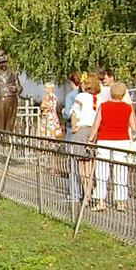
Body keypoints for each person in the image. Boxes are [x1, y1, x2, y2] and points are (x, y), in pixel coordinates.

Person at [89, 81, 136, 212]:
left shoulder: (104, 106)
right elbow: (134, 127)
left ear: (111, 92)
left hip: (104, 140)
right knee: (121, 171)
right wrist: (133, 135)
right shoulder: (128, 108)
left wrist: (90, 139)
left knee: (101, 170)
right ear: (123, 94)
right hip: (122, 140)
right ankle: (121, 202)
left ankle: (100, 201)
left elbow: (96, 124)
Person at [70, 73, 102, 202]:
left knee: (82, 164)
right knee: (90, 163)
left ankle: (86, 193)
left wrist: (74, 128)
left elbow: (74, 113)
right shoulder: (99, 99)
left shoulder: (81, 97)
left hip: (82, 130)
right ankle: (91, 189)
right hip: (94, 131)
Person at [61, 73, 83, 202]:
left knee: (72, 161)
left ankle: (74, 193)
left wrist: (64, 112)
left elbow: (68, 114)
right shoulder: (88, 96)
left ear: (71, 82)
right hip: (85, 129)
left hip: (72, 129)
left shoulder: (71, 96)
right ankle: (84, 191)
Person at [0, 49, 21, 131]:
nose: (3, 64)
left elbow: (20, 87)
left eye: (4, 62)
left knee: (9, 125)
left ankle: (8, 139)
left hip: (12, 101)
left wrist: (16, 88)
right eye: (1, 63)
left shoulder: (13, 73)